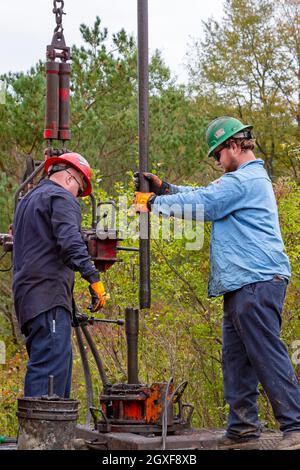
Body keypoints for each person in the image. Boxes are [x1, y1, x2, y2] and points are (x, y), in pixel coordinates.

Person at [134, 116, 300, 450]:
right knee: (236, 361)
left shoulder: (244, 180)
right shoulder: (241, 181)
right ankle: (242, 429)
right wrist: (167, 189)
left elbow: (207, 204)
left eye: (218, 154)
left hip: (256, 281)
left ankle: (295, 426)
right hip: (243, 283)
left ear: (234, 146)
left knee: (267, 354)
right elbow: (208, 194)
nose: (216, 161)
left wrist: (154, 203)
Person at [13, 152, 106, 398]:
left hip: (29, 298)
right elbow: (70, 243)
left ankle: (49, 433)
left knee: (53, 364)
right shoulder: (61, 197)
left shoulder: (27, 200)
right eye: (79, 188)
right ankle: (42, 435)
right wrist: (94, 278)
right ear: (68, 179)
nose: (77, 195)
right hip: (48, 297)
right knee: (50, 372)